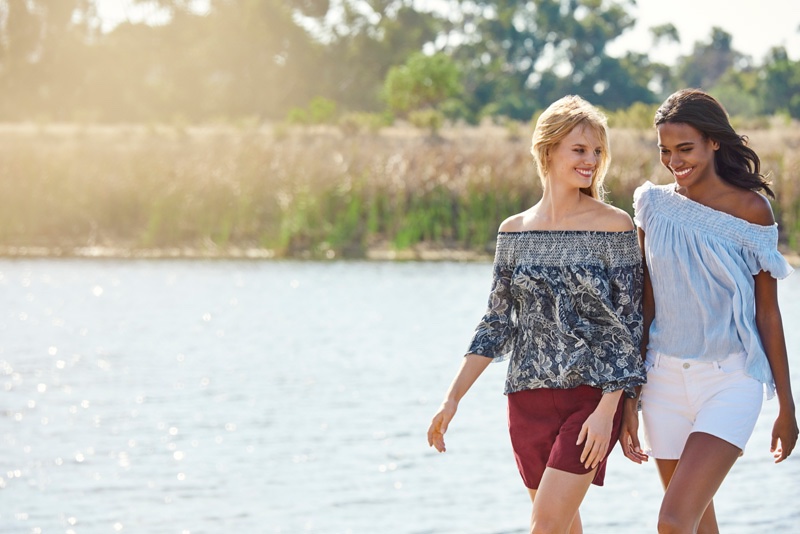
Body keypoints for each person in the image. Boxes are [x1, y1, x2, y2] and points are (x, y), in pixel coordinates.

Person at [426, 95, 646, 534]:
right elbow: (495, 324)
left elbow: (631, 325)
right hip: (525, 400)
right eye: (579, 150)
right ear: (548, 151)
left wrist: (611, 407)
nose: (591, 162)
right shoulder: (514, 231)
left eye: (597, 151)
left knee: (544, 526)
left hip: (588, 400)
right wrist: (453, 399)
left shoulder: (615, 225)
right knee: (563, 527)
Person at [619, 88, 799, 533]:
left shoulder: (751, 210)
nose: (675, 162)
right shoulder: (652, 205)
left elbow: (768, 314)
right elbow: (645, 302)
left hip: (730, 380)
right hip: (661, 381)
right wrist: (628, 393)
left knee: (673, 522)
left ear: (714, 142)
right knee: (698, 525)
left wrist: (787, 406)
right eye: (665, 151)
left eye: (686, 149)